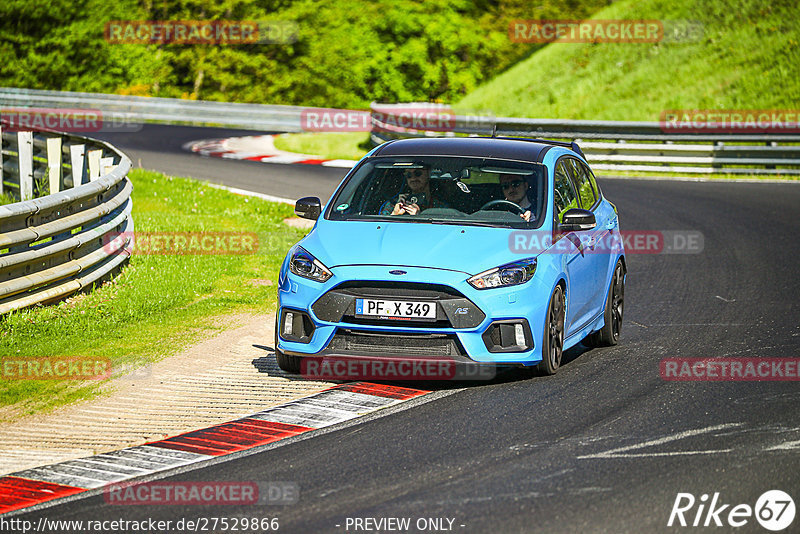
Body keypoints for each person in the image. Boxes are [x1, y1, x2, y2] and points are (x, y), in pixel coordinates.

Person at [380, 165, 446, 216]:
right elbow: (380, 228)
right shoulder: (393, 205)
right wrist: (395, 214)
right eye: (408, 175)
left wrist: (419, 218)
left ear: (428, 173)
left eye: (418, 173)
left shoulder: (440, 208)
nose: (413, 178)